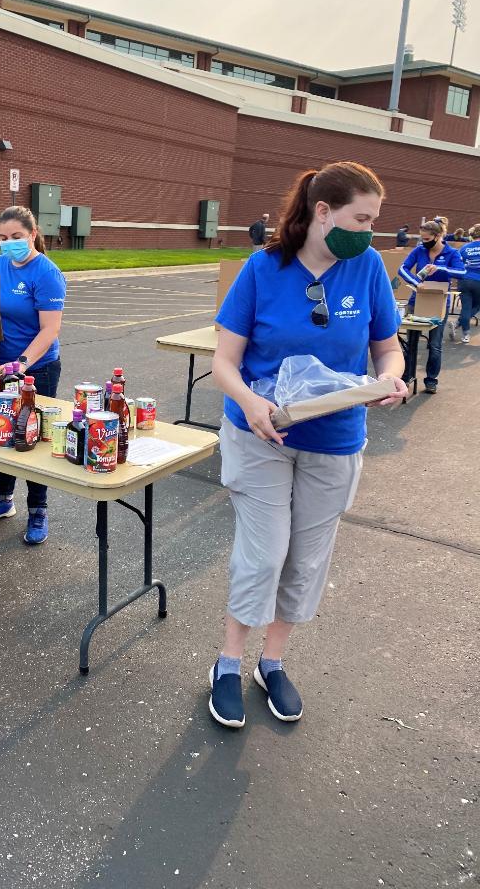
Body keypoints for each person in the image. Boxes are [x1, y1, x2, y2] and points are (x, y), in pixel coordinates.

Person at [209, 161, 408, 729]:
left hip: (336, 439)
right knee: (264, 554)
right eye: (360, 218)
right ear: (323, 212)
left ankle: (272, 663)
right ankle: (227, 663)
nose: (370, 232)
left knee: (305, 559)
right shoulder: (263, 268)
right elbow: (224, 362)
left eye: (374, 220)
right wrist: (252, 406)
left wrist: (391, 378)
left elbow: (386, 348)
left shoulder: (366, 266)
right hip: (261, 433)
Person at [0, 205, 66, 544]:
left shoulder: (47, 273)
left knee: (30, 437)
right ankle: (2, 499)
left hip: (36, 368)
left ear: (33, 235)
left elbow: (49, 330)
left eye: (15, 237)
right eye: (2, 237)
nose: (8, 243)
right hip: (2, 367)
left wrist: (23, 362)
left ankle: (38, 509)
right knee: (3, 432)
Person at [397, 221, 466, 393]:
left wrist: (441, 268)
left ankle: (431, 380)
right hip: (417, 301)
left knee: (435, 345)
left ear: (438, 236)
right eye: (422, 238)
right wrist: (415, 282)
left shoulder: (451, 253)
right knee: (411, 342)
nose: (424, 241)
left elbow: (462, 272)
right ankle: (407, 376)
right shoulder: (419, 250)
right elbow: (402, 269)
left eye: (427, 238)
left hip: (439, 304)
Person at [448, 223, 480, 344]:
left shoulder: (465, 248)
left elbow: (457, 264)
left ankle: (466, 333)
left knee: (466, 307)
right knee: (477, 306)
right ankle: (458, 323)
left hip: (465, 280)